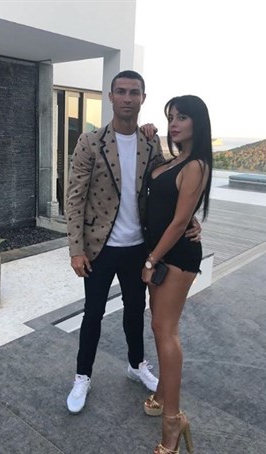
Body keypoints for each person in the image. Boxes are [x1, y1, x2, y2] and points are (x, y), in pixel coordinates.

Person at [64, 70, 200, 414]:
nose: (127, 98)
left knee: (135, 312)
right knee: (93, 313)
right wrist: (76, 249)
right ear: (111, 97)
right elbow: (75, 197)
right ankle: (82, 376)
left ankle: (136, 364)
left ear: (143, 98)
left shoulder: (149, 142)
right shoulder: (90, 141)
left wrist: (190, 218)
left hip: (139, 247)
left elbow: (167, 186)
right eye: (121, 92)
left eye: (134, 92)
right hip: (99, 247)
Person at [141, 95, 212, 454]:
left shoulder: (196, 165)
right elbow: (165, 204)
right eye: (171, 117)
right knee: (159, 327)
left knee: (165, 329)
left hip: (175, 256)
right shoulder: (174, 161)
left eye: (182, 117)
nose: (174, 124)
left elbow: (180, 222)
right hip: (160, 254)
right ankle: (161, 391)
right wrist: (149, 135)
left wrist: (151, 260)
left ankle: (173, 420)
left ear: (198, 122)